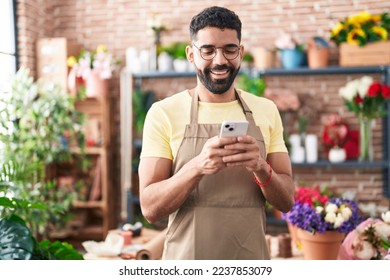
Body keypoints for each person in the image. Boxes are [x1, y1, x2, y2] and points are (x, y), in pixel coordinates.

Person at [138, 6, 295, 260]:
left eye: (229, 49)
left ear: (241, 53)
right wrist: (198, 166)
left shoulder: (266, 110)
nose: (220, 60)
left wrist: (260, 167)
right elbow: (150, 208)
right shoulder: (163, 113)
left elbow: (287, 201)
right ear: (191, 55)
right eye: (208, 50)